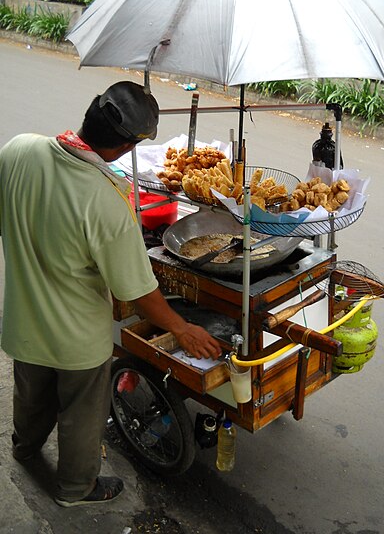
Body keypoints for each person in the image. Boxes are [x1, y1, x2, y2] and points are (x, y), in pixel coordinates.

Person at [0, 81, 222, 508]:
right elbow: (137, 291)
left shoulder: (18, 149)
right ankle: (75, 489)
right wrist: (182, 328)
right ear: (125, 147)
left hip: (23, 322)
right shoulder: (106, 200)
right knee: (82, 416)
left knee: (31, 394)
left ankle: (25, 449)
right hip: (77, 341)